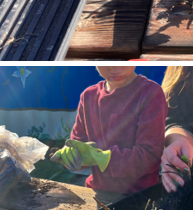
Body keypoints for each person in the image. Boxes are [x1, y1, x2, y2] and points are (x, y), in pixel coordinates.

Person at [51, 66, 166, 195]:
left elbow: (150, 156)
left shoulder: (149, 92)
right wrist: (72, 155)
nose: (115, 70)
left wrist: (102, 158)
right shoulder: (88, 96)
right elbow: (78, 141)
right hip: (96, 192)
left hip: (139, 196)